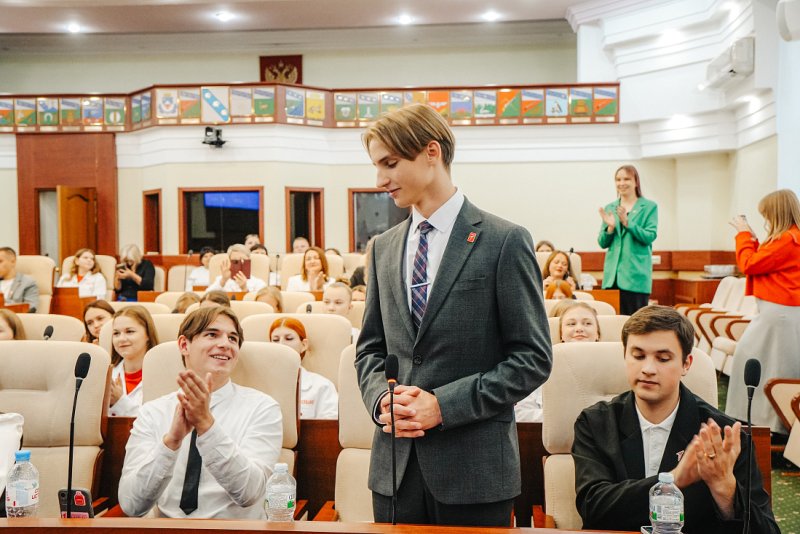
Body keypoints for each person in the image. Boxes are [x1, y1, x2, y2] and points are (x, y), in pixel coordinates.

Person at [355, 103, 552, 526]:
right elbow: (370, 350)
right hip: (395, 470)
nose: (379, 180)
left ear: (432, 152)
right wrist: (381, 401)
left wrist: (444, 406)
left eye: (390, 163)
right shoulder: (383, 248)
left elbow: (532, 359)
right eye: (376, 166)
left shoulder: (504, 241)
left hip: (474, 470)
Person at [572, 306, 779, 533]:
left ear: (686, 364)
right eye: (638, 356)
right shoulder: (595, 423)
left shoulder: (724, 436)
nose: (648, 369)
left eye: (663, 358)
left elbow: (766, 530)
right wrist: (674, 479)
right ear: (625, 356)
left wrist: (725, 488)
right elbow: (593, 507)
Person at [118, 306, 283, 518]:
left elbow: (249, 493)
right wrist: (171, 442)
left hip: (234, 531)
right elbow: (132, 505)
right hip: (168, 530)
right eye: (212, 334)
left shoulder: (262, 408)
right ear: (184, 345)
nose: (225, 344)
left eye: (233, 338)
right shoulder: (153, 412)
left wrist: (207, 426)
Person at [725, 189, 800, 435]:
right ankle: (762, 420)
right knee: (770, 365)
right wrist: (753, 239)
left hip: (778, 314)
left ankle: (768, 423)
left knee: (763, 363)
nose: (766, 220)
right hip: (778, 312)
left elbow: (749, 264)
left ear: (776, 213)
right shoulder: (790, 238)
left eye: (766, 215)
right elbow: (765, 261)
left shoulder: (788, 238)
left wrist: (743, 234)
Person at [515, 303, 600, 423]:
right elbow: (521, 414)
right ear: (561, 334)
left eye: (587, 323)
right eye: (571, 324)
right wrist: (563, 418)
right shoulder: (540, 366)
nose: (579, 329)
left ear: (598, 334)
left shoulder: (615, 366)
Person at [598, 165, 658, 315]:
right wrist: (610, 228)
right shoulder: (610, 207)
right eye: (618, 179)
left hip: (635, 279)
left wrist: (627, 223)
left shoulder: (649, 207)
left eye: (626, 179)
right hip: (612, 278)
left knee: (634, 323)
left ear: (636, 182)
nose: (622, 183)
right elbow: (602, 242)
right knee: (611, 321)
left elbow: (650, 236)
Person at [269, 317, 338, 420]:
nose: (281, 344)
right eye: (275, 340)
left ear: (304, 345)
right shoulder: (258, 384)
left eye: (289, 339)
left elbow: (330, 425)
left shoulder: (322, 386)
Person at [109, 306, 160, 417]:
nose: (121, 339)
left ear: (148, 335)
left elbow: (157, 422)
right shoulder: (107, 375)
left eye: (129, 331)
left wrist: (120, 402)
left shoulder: (163, 376)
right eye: (116, 333)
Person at [0, 247, 39, 312]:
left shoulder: (28, 283)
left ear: (13, 261)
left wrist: (2, 301)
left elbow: (31, 308)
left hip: (14, 317)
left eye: (0, 261)